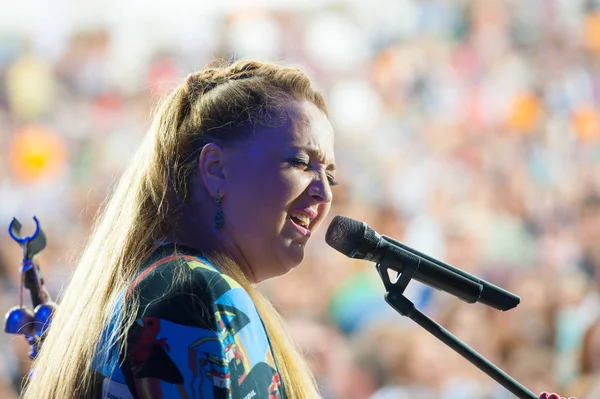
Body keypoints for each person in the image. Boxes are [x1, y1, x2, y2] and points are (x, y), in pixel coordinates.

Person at [19, 59, 574, 399]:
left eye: (329, 172)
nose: (324, 192)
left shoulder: (182, 287)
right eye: (300, 161)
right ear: (216, 170)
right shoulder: (190, 295)